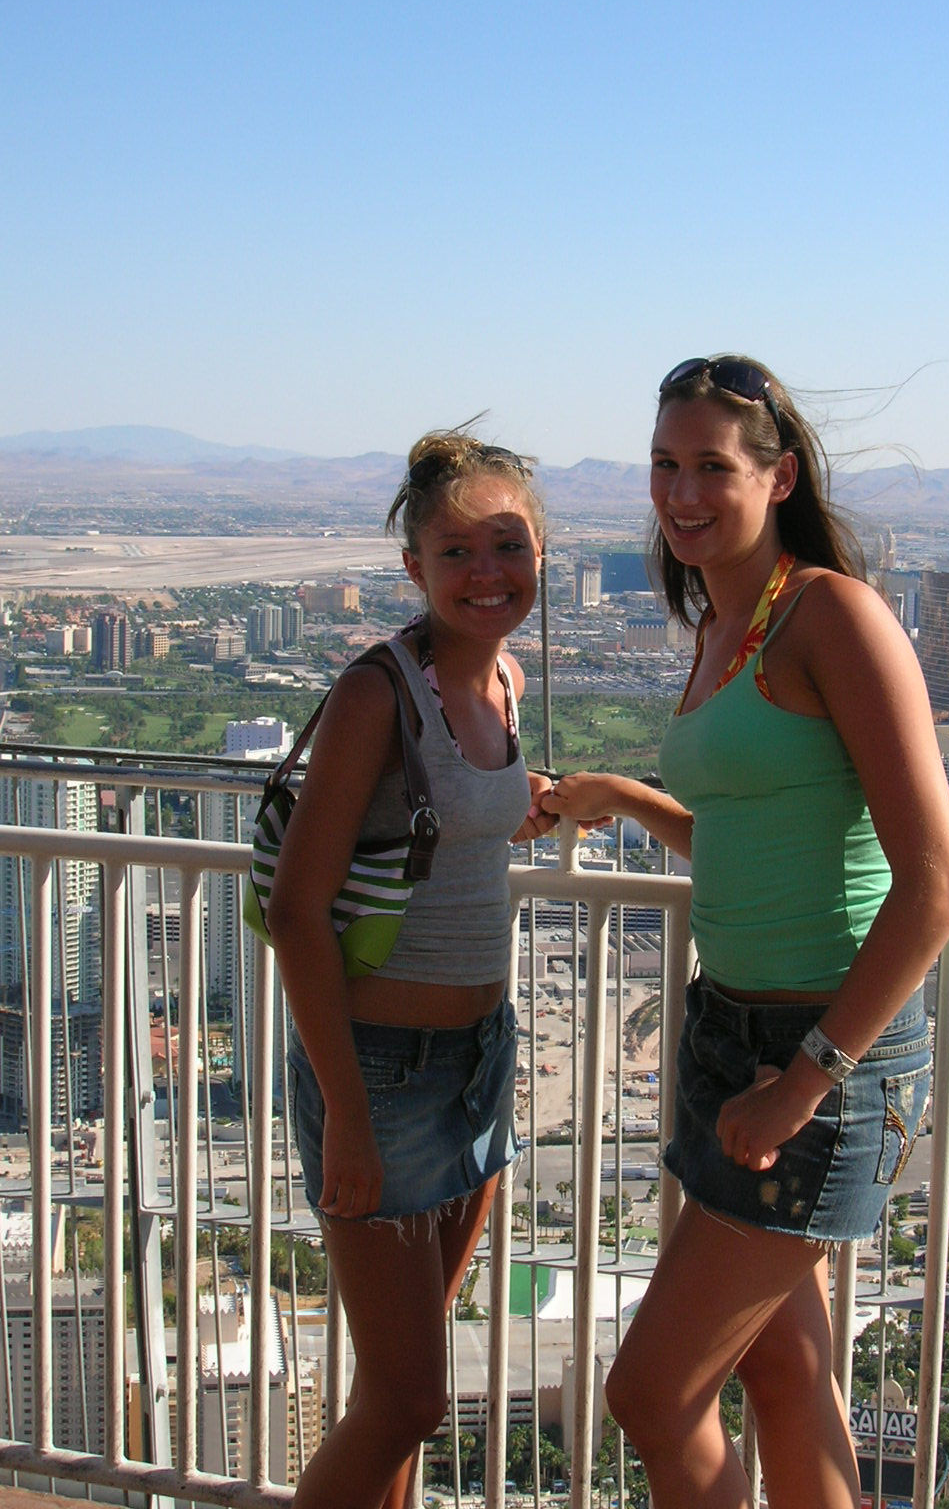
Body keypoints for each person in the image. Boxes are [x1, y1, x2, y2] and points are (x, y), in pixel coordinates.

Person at [540, 356, 949, 1509]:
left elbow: (937, 883)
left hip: (826, 1053)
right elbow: (746, 837)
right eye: (665, 465)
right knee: (785, 1368)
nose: (682, 492)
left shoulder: (833, 615)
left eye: (711, 467)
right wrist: (623, 800)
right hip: (731, 1029)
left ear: (777, 477)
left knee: (649, 1390)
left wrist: (810, 1081)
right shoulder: (721, 621)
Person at [268, 428, 554, 1509]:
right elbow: (298, 912)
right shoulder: (376, 696)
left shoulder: (503, 681)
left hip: (478, 1059)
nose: (487, 573)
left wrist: (529, 808)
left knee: (398, 1383)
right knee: (408, 1400)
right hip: (378, 1075)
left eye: (508, 546)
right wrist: (343, 1109)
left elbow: (447, 827)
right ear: (415, 569)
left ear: (541, 554)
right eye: (456, 552)